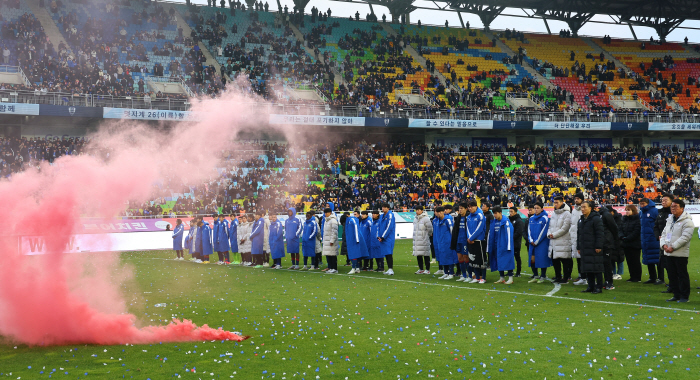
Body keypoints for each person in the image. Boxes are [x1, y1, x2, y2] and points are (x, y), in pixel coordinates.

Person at [661, 199, 694, 302]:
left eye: (675, 206)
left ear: (682, 208)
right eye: (672, 206)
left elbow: (685, 237)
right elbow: (663, 234)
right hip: (668, 252)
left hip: (680, 253)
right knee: (672, 275)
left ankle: (684, 296)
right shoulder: (670, 219)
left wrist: (673, 247)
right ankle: (676, 295)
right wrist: (664, 245)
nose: (673, 208)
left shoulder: (687, 221)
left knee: (682, 275)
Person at [578, 201, 605, 294]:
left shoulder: (596, 219)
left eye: (584, 207)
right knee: (588, 268)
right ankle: (590, 286)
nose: (582, 209)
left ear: (590, 208)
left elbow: (600, 233)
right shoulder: (581, 219)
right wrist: (579, 246)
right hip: (585, 247)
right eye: (581, 207)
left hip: (594, 247)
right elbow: (579, 234)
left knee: (597, 268)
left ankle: (599, 287)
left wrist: (598, 245)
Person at [488, 206, 515, 284]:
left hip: (504, 245)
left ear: (500, 213)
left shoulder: (506, 222)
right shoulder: (494, 222)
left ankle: (510, 278)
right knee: (498, 261)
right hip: (496, 245)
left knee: (508, 260)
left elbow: (509, 234)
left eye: (496, 213)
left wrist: (509, 246)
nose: (495, 215)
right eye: (494, 214)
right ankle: (502, 278)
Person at [548, 197, 572, 283]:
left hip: (563, 241)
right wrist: (549, 234)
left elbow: (565, 228)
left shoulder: (567, 214)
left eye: (557, 202)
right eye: (554, 203)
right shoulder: (554, 214)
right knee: (555, 261)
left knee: (565, 261)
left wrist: (553, 235)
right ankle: (558, 276)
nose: (555, 204)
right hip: (554, 241)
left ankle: (565, 278)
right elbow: (550, 226)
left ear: (562, 203)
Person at [639, 198, 662, 284]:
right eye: (641, 204)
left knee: (658, 259)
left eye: (643, 203)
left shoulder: (655, 211)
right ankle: (652, 277)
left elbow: (659, 224)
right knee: (649, 258)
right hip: (645, 239)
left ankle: (660, 278)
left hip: (654, 238)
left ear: (648, 203)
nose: (642, 205)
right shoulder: (641, 213)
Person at [528, 202, 552, 283]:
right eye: (535, 208)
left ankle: (543, 275)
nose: (536, 209)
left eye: (538, 208)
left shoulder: (545, 218)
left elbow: (544, 231)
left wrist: (537, 241)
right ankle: (535, 275)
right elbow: (529, 230)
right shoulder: (531, 218)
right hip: (532, 243)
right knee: (532, 259)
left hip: (541, 243)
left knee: (542, 259)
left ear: (542, 209)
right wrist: (531, 240)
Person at [597, 204, 619, 290]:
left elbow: (614, 228)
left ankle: (609, 282)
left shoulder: (606, 214)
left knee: (607, 263)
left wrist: (614, 239)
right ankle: (606, 281)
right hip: (603, 242)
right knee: (603, 263)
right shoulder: (600, 215)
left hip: (607, 242)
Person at [654, 194, 674, 288]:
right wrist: (658, 236)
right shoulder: (660, 213)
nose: (663, 202)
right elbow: (656, 226)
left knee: (671, 262)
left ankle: (673, 282)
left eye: (666, 200)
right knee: (662, 261)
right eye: (662, 200)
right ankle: (662, 279)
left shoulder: (674, 213)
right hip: (662, 241)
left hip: (672, 241)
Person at [619, 204, 642, 282]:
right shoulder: (624, 219)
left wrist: (628, 238)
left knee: (635, 261)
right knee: (629, 261)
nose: (627, 212)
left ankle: (637, 277)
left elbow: (636, 231)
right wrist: (622, 237)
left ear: (633, 211)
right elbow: (620, 229)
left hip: (634, 244)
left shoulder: (637, 220)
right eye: (626, 210)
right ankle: (632, 276)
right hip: (626, 244)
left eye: (628, 210)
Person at [466, 200, 488, 283]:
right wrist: (469, 238)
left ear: (476, 206)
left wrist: (471, 238)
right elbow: (467, 228)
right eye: (469, 207)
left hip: (479, 240)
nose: (470, 208)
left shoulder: (480, 215)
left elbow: (480, 229)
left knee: (481, 260)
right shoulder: (468, 217)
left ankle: (484, 278)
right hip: (471, 240)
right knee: (473, 259)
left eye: (471, 206)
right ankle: (477, 277)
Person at [434, 206, 457, 280]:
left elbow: (452, 231)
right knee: (443, 257)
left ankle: (451, 273)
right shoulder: (436, 221)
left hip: (448, 242)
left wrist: (453, 241)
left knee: (449, 257)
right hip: (440, 242)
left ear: (443, 212)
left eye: (441, 212)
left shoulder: (447, 220)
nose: (439, 213)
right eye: (438, 212)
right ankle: (445, 273)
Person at [450, 202, 470, 281]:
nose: (460, 210)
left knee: (466, 257)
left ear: (466, 209)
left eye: (462, 208)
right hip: (458, 240)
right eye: (459, 209)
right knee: (460, 258)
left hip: (465, 241)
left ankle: (470, 275)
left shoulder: (468, 217)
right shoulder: (458, 218)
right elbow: (455, 230)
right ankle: (463, 275)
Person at [413, 205, 433, 274]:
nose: (417, 211)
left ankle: (427, 269)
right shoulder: (415, 219)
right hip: (417, 240)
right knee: (418, 254)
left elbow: (430, 229)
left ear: (422, 211)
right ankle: (421, 269)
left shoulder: (426, 218)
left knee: (426, 254)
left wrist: (427, 235)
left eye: (419, 210)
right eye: (416, 210)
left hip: (424, 239)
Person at [571, 194, 585, 285]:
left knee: (583, 258)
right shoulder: (574, 210)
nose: (576, 200)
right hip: (575, 237)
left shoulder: (584, 209)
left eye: (578, 199)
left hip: (582, 237)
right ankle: (581, 275)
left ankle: (585, 276)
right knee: (578, 258)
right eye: (575, 198)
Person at [378, 203, 396, 275]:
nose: (383, 209)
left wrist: (383, 236)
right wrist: (379, 236)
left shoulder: (390, 215)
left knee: (389, 253)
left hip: (388, 238)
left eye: (385, 207)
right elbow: (379, 226)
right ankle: (389, 269)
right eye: (383, 207)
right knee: (386, 253)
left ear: (388, 208)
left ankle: (391, 269)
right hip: (383, 238)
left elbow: (389, 227)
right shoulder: (382, 216)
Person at [322, 208, 339, 274]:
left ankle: (334, 268)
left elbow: (334, 232)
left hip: (331, 241)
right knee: (329, 255)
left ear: (330, 213)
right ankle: (331, 268)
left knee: (333, 255)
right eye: (325, 213)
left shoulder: (333, 221)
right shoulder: (326, 221)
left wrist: (332, 240)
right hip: (327, 240)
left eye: (327, 213)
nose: (325, 214)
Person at [508, 207, 524, 277]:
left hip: (516, 243)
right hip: (509, 243)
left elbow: (518, 232)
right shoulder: (509, 220)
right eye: (509, 211)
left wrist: (510, 238)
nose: (510, 213)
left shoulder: (519, 221)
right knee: (509, 257)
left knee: (517, 257)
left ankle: (518, 272)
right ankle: (509, 271)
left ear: (515, 212)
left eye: (512, 211)